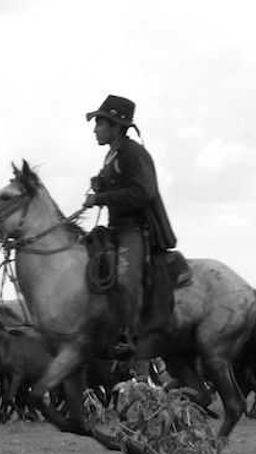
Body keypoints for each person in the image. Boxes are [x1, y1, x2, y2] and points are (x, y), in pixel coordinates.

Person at [82, 94, 177, 356]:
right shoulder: (112, 154)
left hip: (136, 229)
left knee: (126, 278)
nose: (95, 129)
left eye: (100, 124)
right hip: (115, 230)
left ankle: (131, 335)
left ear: (115, 126)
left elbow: (142, 193)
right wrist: (101, 183)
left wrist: (100, 197)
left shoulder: (134, 154)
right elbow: (120, 185)